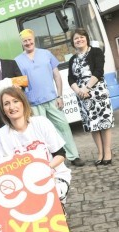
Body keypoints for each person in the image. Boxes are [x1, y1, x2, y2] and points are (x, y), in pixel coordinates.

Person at [15, 29, 85, 167]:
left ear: (34, 39)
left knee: (63, 127)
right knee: (40, 134)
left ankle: (73, 156)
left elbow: (57, 76)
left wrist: (59, 96)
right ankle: (49, 160)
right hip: (33, 103)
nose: (28, 43)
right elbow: (19, 86)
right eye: (25, 41)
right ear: (22, 43)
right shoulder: (17, 61)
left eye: (30, 39)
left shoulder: (46, 54)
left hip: (52, 99)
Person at [0, 87, 71, 215]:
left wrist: (40, 171)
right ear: (3, 110)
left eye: (15, 101)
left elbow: (61, 155)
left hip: (52, 175)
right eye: (6, 104)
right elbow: (3, 167)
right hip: (22, 183)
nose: (11, 107)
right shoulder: (1, 134)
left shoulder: (41, 123)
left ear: (23, 103)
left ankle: (59, 207)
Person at [68, 28, 114, 166]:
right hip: (83, 97)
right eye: (76, 38)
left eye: (82, 37)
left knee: (104, 123)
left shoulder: (96, 52)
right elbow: (70, 79)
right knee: (93, 125)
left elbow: (99, 71)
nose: (79, 40)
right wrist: (80, 91)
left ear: (86, 38)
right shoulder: (72, 59)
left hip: (98, 92)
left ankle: (107, 152)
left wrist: (87, 88)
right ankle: (100, 152)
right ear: (73, 42)